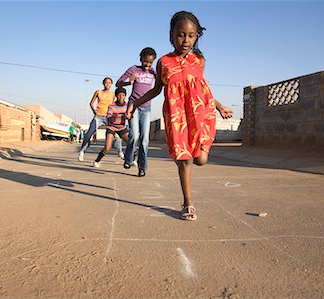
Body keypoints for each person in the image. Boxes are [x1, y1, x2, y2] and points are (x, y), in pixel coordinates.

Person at [126, 11, 233, 221]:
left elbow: (203, 88)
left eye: (191, 35)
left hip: (199, 113)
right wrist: (134, 102)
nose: (186, 40)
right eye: (181, 34)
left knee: (200, 159)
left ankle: (189, 160)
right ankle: (188, 203)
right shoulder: (164, 62)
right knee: (185, 160)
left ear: (196, 36)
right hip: (177, 116)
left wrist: (219, 106)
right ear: (171, 35)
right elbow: (156, 90)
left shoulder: (199, 60)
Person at [116, 47, 157, 177]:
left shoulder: (153, 72)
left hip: (146, 107)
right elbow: (118, 83)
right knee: (134, 135)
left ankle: (142, 166)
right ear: (141, 59)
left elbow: (162, 83)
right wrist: (130, 82)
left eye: (150, 62)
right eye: (145, 62)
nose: (148, 65)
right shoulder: (134, 69)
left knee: (145, 139)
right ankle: (128, 160)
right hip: (133, 106)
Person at [78, 77, 123, 161]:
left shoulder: (113, 94)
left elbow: (115, 104)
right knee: (88, 134)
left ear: (111, 84)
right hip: (98, 116)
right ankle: (82, 151)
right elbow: (91, 103)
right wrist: (94, 111)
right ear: (103, 83)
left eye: (109, 83)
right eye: (106, 83)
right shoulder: (98, 92)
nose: (107, 84)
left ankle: (120, 151)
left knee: (116, 134)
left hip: (108, 117)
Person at [93, 87, 130, 168]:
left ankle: (131, 159)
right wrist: (114, 117)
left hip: (122, 128)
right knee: (107, 148)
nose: (121, 97)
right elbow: (108, 119)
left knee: (131, 142)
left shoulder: (127, 106)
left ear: (125, 96)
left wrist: (129, 116)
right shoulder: (111, 106)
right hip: (112, 127)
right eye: (119, 95)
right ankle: (96, 161)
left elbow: (131, 115)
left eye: (123, 95)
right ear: (116, 96)